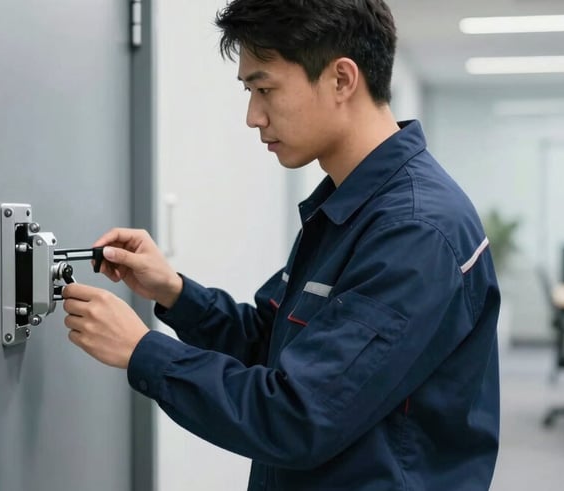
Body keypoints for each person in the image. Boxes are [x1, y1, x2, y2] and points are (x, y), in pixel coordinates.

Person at [62, 0, 500, 489]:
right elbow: (272, 346)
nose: (254, 117)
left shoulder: (415, 231)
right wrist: (176, 294)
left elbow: (298, 416)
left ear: (341, 80)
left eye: (265, 89)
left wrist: (142, 350)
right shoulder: (349, 205)